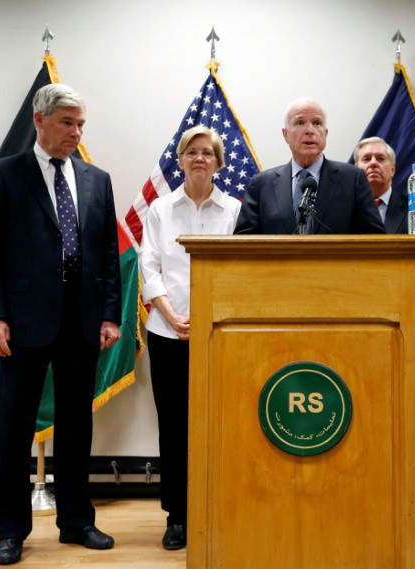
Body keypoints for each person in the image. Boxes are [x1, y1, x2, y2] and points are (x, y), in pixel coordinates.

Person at [0, 84, 122, 565]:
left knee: (78, 426)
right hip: (19, 323)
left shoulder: (97, 180)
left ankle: (77, 522)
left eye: (81, 124)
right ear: (40, 120)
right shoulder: (3, 175)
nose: (76, 133)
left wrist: (109, 314)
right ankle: (11, 529)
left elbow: (106, 256)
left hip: (81, 322)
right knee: (12, 428)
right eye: (68, 123)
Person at [138, 125, 242, 551]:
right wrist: (173, 315)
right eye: (192, 152)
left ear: (219, 162)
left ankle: (219, 505)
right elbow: (150, 268)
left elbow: (239, 269)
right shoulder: (161, 210)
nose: (200, 159)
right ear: (179, 160)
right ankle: (177, 516)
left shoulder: (234, 209)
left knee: (221, 423)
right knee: (175, 426)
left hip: (219, 335)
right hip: (168, 333)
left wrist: (208, 318)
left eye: (207, 153)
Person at [235, 97, 385, 235]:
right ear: (285, 134)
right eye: (300, 122)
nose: (310, 130)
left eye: (317, 123)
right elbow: (243, 245)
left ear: (325, 134)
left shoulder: (353, 179)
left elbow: (375, 239)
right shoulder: (261, 185)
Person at [353, 136, 415, 304]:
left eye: (380, 158)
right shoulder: (344, 211)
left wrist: (402, 305)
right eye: (366, 159)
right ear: (356, 169)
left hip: (404, 311)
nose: (373, 163)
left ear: (392, 169)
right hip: (355, 312)